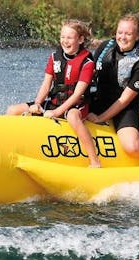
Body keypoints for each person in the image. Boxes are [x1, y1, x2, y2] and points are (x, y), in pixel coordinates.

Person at [6, 19, 101, 168]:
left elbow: (77, 95)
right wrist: (37, 104)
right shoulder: (54, 57)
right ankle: (8, 148)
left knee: (72, 117)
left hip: (77, 105)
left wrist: (56, 112)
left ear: (81, 39)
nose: (65, 41)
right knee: (13, 110)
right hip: (55, 101)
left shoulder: (87, 62)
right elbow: (46, 84)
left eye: (70, 37)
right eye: (62, 37)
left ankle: (94, 160)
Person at [87, 14, 139, 166]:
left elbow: (125, 99)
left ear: (136, 36)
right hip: (99, 98)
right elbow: (89, 76)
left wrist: (101, 118)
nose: (122, 37)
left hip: (125, 107)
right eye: (120, 32)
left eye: (128, 34)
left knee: (132, 147)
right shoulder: (105, 47)